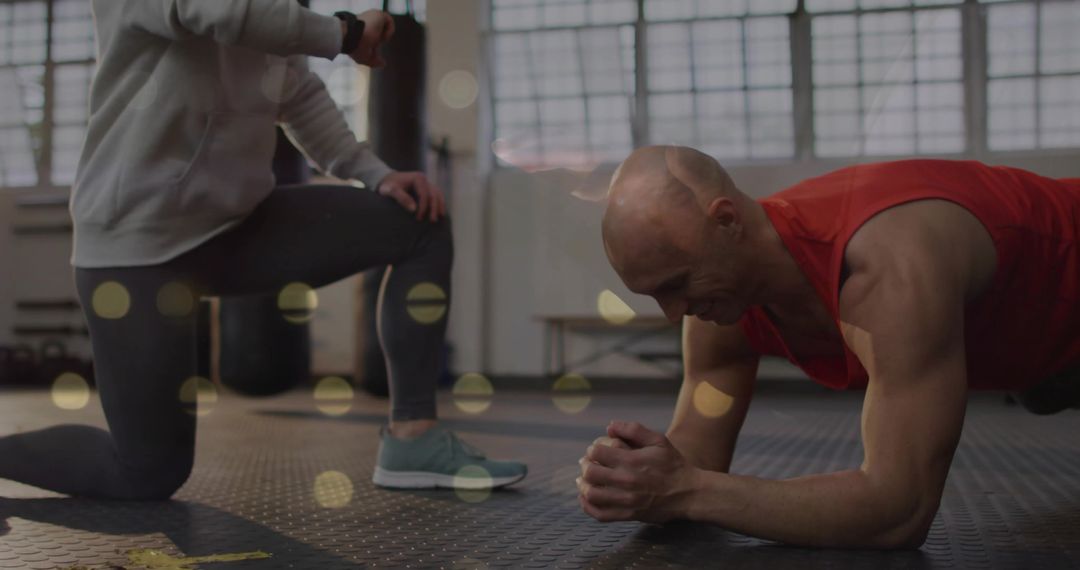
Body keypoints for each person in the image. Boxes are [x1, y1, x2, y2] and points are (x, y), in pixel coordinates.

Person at [0, 0, 525, 499]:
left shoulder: (274, 16)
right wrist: (345, 32)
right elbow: (225, 13)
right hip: (137, 247)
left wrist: (377, 174)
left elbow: (295, 93)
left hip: (235, 229)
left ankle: (414, 440)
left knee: (419, 224)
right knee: (148, 472)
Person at [578, 145, 1078, 548]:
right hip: (1038, 356)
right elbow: (695, 462)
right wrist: (638, 473)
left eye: (677, 283)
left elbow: (899, 511)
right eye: (655, 295)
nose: (672, 312)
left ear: (727, 221)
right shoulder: (718, 305)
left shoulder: (887, 266)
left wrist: (685, 490)